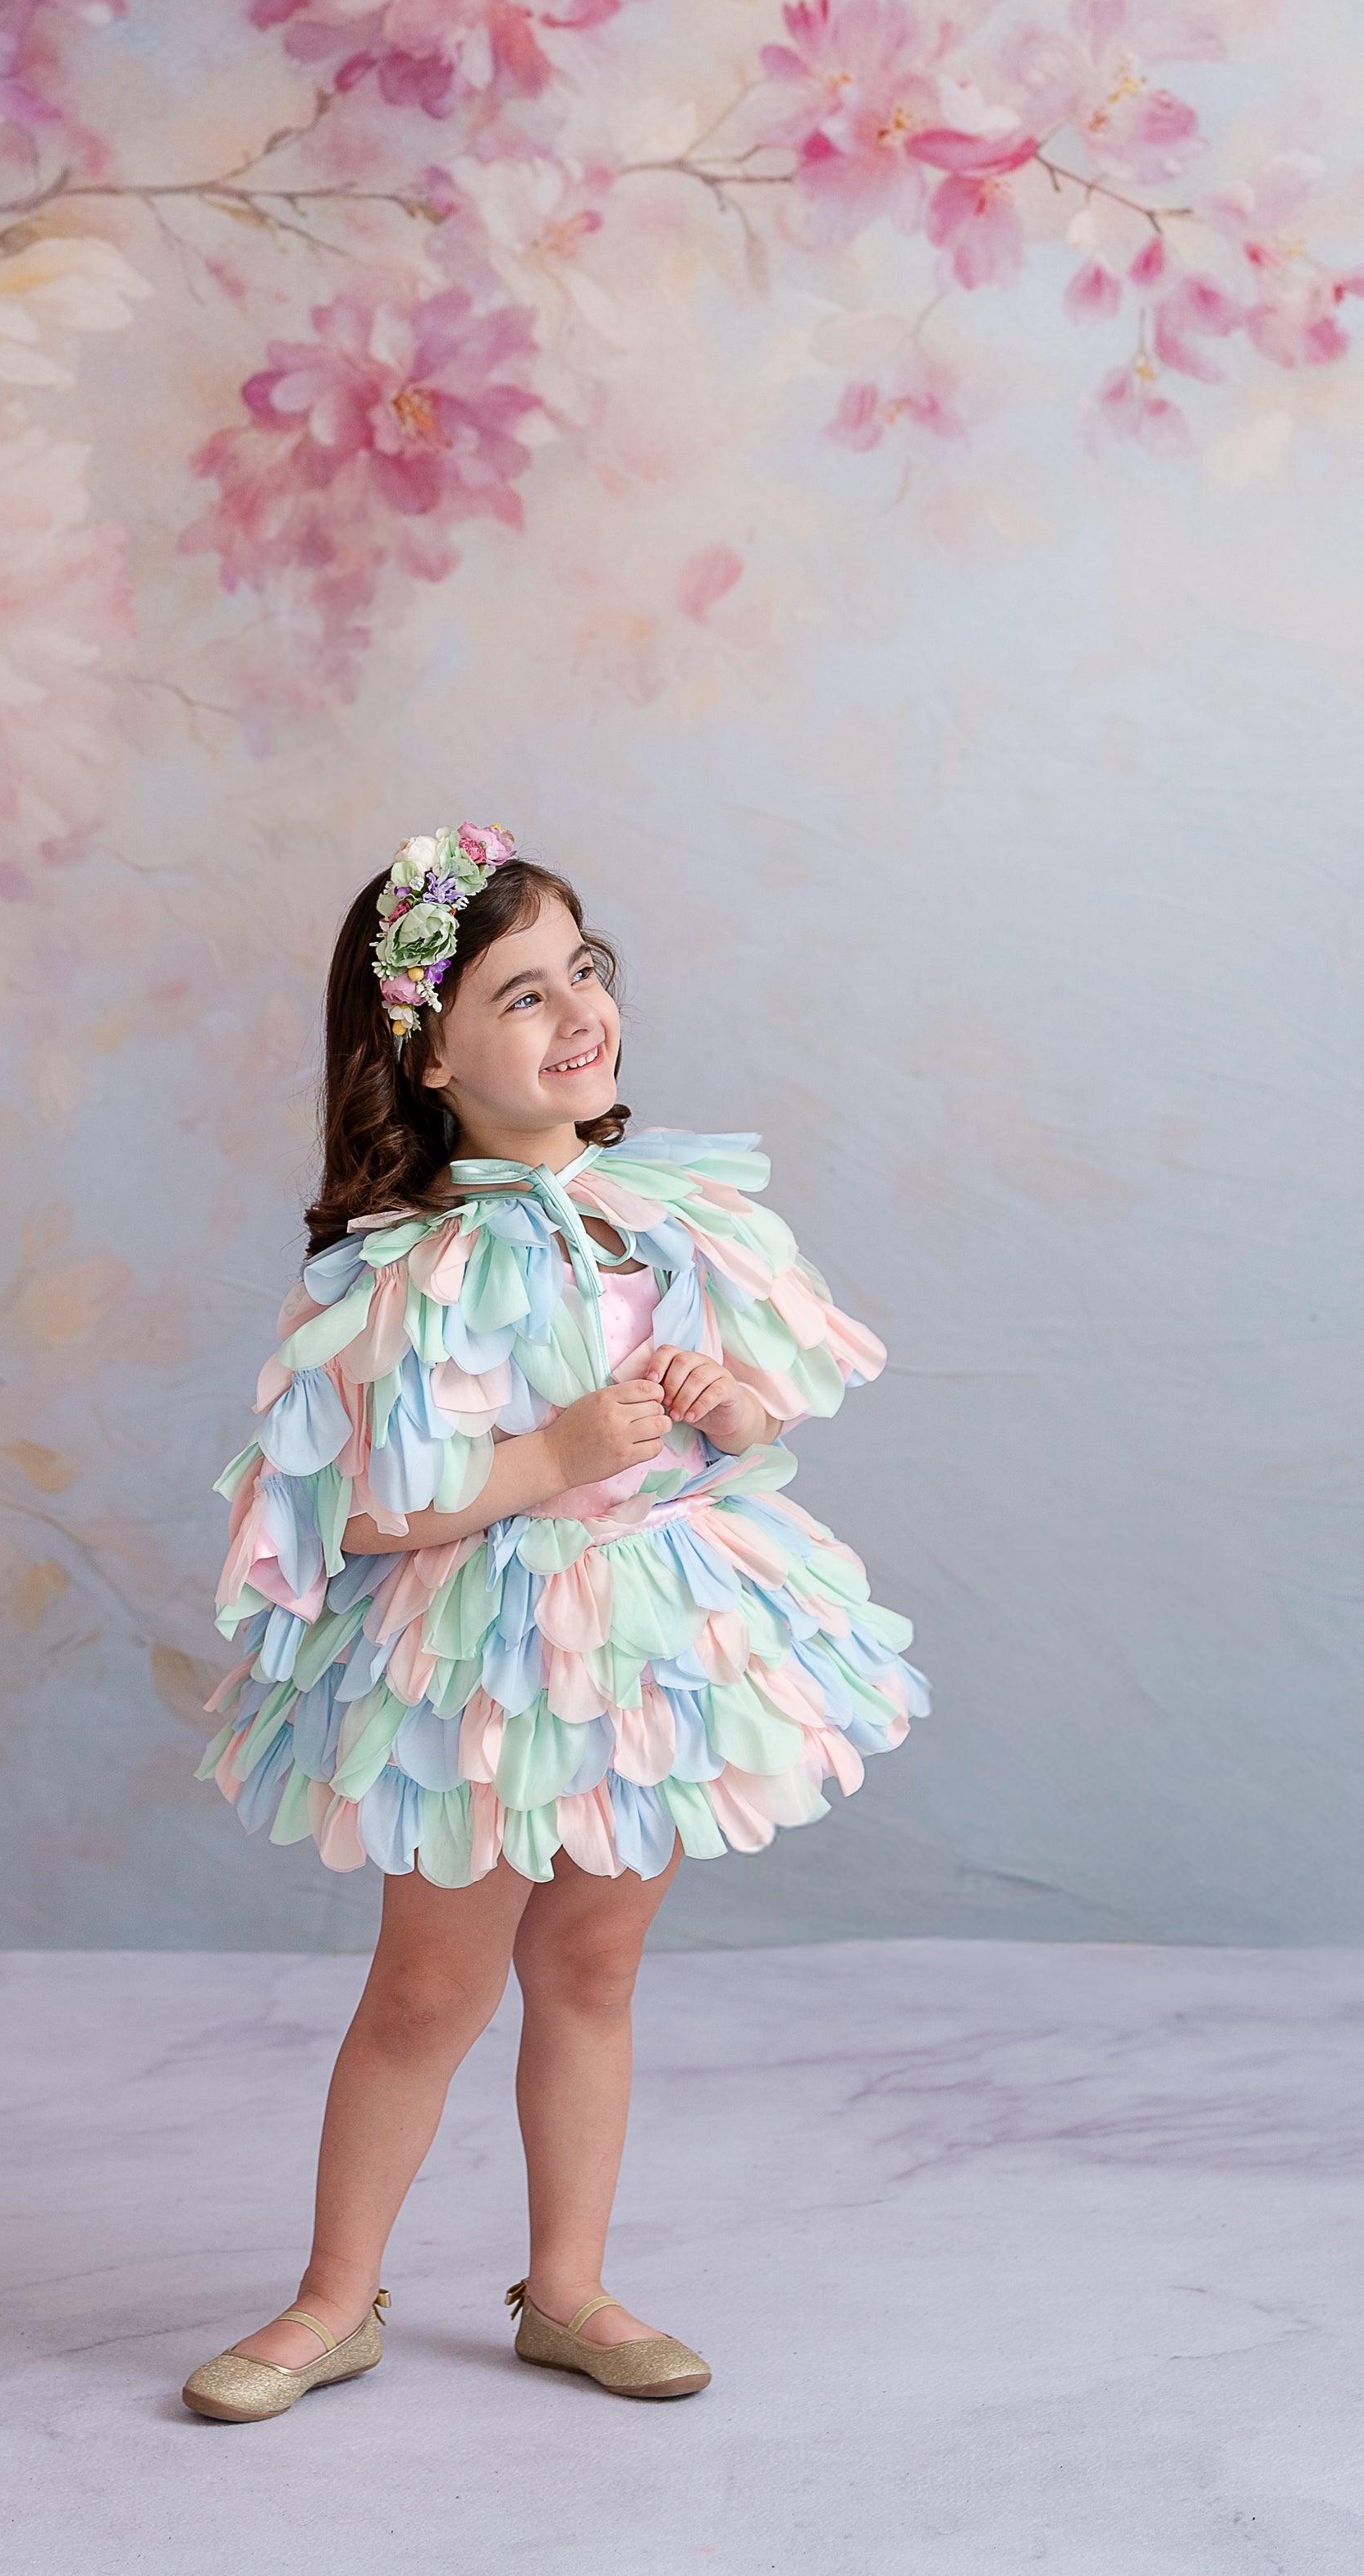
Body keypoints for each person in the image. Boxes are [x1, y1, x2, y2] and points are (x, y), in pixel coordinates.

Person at [179, 826, 931, 2422]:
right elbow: (358, 1505)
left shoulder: (655, 1211)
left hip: (636, 1647)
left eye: (585, 969)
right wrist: (549, 1458)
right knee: (430, 1991)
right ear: (428, 1053)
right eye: (523, 994)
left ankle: (568, 2284)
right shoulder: (410, 1265)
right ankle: (332, 2298)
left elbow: (705, 1415)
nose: (578, 1011)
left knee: (591, 1965)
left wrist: (722, 1411)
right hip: (479, 1666)